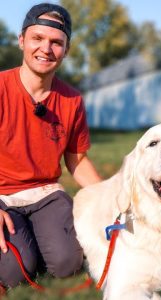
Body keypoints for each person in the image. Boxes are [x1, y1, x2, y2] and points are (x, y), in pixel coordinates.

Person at [0, 3, 101, 288]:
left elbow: (77, 161)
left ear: (66, 50)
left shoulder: (72, 100)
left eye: (56, 42)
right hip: (2, 196)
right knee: (15, 273)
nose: (46, 48)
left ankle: (41, 235)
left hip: (46, 194)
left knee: (68, 263)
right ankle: (28, 244)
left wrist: (109, 199)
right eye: (37, 38)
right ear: (21, 41)